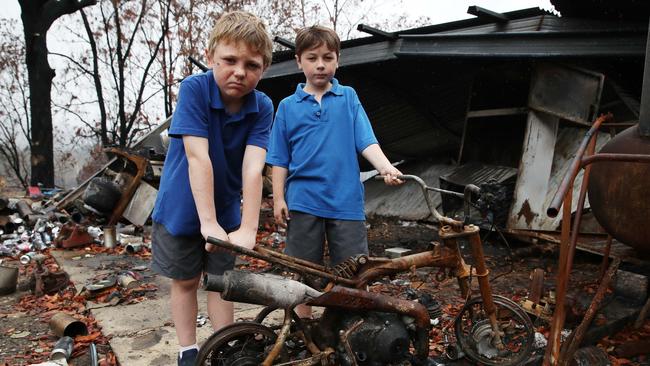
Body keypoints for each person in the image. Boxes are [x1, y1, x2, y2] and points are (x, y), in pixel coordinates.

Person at [150, 11, 273, 366]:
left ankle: (226, 347)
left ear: (263, 68)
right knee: (186, 281)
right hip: (180, 209)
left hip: (226, 212)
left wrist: (248, 226)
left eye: (251, 65)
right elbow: (197, 157)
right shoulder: (195, 89)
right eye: (229, 60)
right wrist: (207, 221)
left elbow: (254, 167)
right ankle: (188, 350)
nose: (239, 71)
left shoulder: (262, 106)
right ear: (210, 58)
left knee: (222, 282)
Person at [266, 25, 403, 318]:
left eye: (327, 58)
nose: (320, 65)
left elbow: (366, 140)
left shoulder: (348, 97)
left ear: (337, 60)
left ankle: (352, 328)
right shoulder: (287, 107)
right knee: (301, 270)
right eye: (312, 57)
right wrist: (279, 198)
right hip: (303, 201)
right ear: (298, 61)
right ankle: (301, 328)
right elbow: (279, 158)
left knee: (355, 271)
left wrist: (385, 167)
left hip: (346, 202)